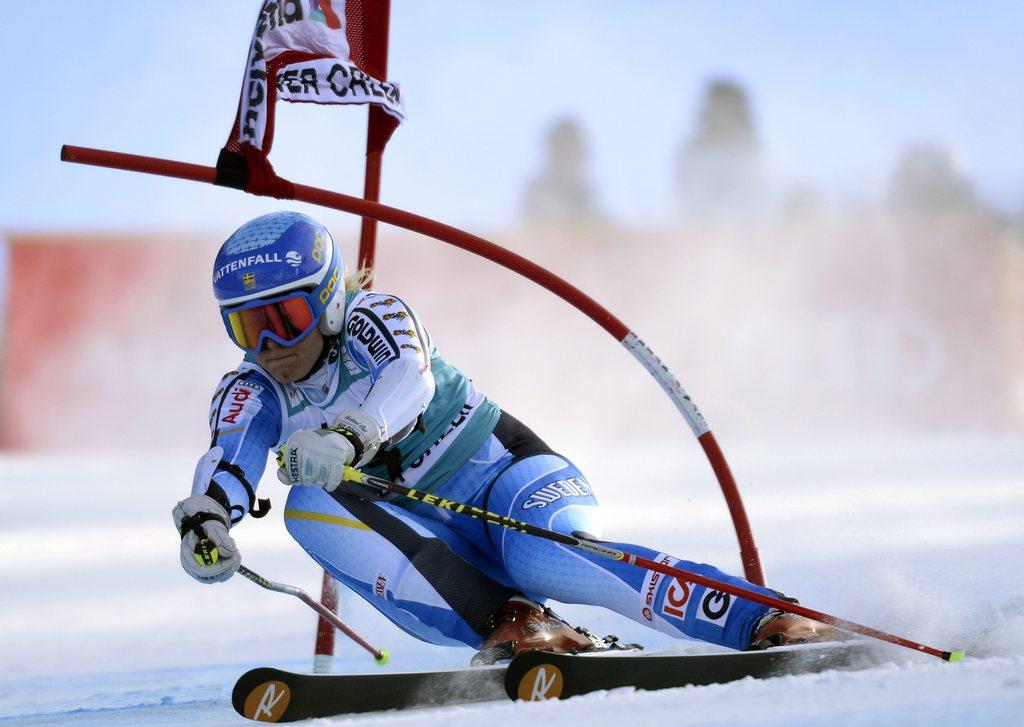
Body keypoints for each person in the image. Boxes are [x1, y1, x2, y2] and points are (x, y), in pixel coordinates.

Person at [172, 211, 837, 663]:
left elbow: (411, 379)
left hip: (509, 480)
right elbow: (229, 458)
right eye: (244, 325)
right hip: (439, 547)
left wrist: (347, 435)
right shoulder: (251, 390)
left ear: (328, 298)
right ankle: (515, 621)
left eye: (284, 317)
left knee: (541, 557)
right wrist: (206, 522)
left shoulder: (376, 317)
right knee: (306, 510)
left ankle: (763, 617)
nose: (268, 345)